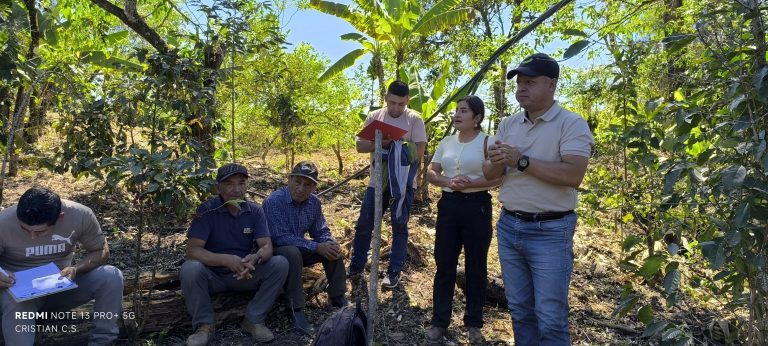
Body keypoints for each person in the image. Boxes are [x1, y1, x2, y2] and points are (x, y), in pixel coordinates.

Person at [483, 53, 594, 345]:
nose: (521, 88)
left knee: (550, 316)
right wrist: (496, 160)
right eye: (519, 82)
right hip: (510, 226)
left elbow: (573, 175)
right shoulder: (508, 124)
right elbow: (490, 173)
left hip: (551, 231)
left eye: (530, 82)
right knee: (520, 310)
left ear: (551, 84)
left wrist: (521, 162)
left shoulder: (571, 123)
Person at [0, 187, 124, 346]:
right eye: (24, 229)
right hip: (16, 296)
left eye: (39, 232)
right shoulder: (3, 222)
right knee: (15, 302)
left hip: (61, 287)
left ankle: (103, 341)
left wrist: (76, 268)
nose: (31, 237)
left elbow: (101, 251)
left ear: (60, 218)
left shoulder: (80, 215)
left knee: (111, 276)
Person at [180, 163, 288, 346]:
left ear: (246, 185)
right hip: (213, 276)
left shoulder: (254, 211)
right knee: (190, 268)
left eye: (241, 183)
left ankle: (254, 320)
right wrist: (225, 259)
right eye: (229, 184)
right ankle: (204, 326)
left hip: (245, 273)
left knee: (280, 263)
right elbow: (192, 251)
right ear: (218, 187)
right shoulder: (207, 210)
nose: (236, 189)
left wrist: (255, 258)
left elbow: (266, 245)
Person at [425, 96, 500, 345]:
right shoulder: (446, 142)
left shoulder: (488, 142)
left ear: (477, 118)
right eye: (456, 110)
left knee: (476, 267)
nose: (457, 114)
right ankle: (439, 322)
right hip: (449, 206)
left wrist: (468, 183)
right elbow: (431, 172)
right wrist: (449, 182)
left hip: (476, 206)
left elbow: (498, 178)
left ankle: (474, 325)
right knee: (444, 264)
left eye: (463, 111)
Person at [348, 80, 428, 288]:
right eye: (392, 103)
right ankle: (356, 268)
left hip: (402, 184)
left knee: (399, 227)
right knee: (365, 225)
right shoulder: (376, 117)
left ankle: (393, 272)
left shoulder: (414, 120)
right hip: (377, 182)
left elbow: (419, 153)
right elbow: (359, 145)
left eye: (401, 104)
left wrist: (392, 144)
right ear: (386, 98)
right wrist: (380, 142)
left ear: (407, 101)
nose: (396, 108)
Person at [262, 161, 348, 335]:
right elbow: (279, 237)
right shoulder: (274, 201)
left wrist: (328, 243)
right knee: (292, 252)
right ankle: (296, 308)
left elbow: (320, 230)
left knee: (332, 249)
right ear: (289, 180)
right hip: (274, 252)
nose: (301, 188)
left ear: (314, 187)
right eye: (298, 182)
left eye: (307, 184)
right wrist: (316, 246)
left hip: (300, 247)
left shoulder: (314, 203)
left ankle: (338, 296)